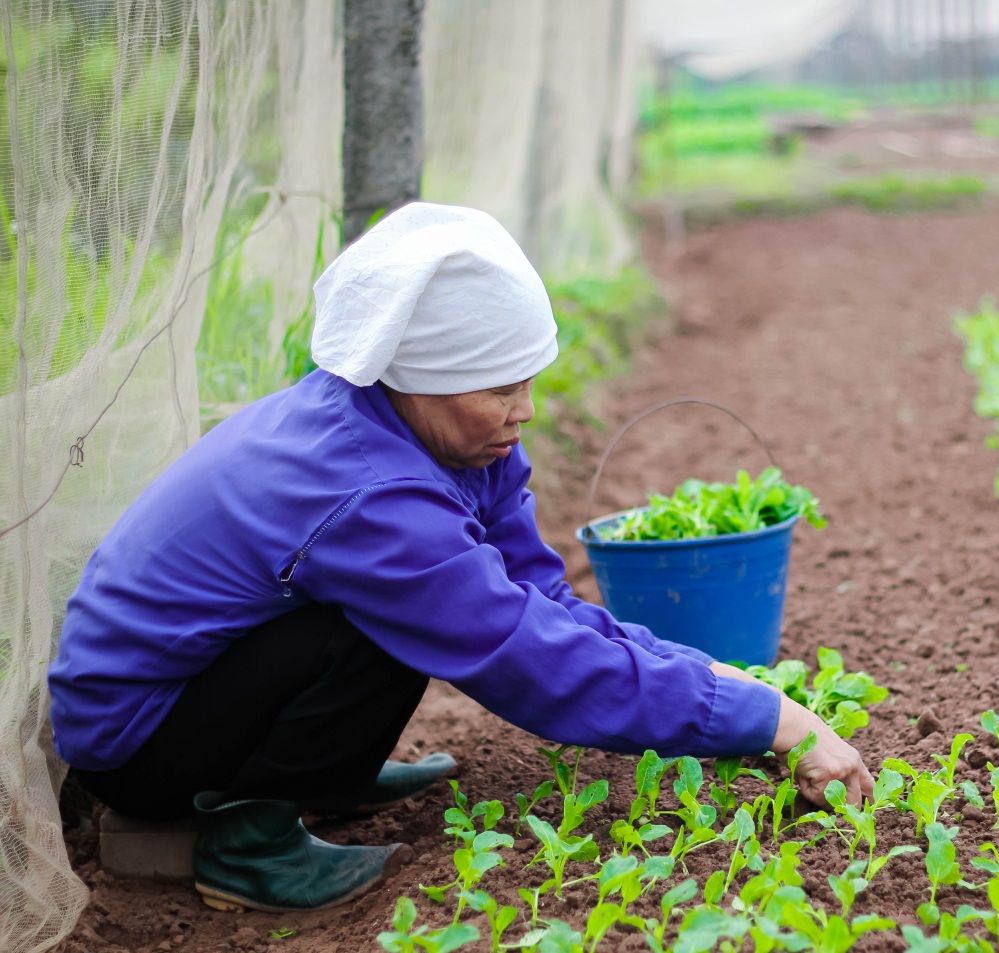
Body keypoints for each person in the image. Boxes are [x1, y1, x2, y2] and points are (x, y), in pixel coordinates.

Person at [48, 203, 874, 914]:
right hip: (136, 742)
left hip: (215, 681)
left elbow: (541, 601)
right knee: (382, 627)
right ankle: (251, 841)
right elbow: (529, 657)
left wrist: (731, 689)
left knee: (411, 611)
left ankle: (321, 775)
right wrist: (767, 720)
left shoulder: (452, 441)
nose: (526, 411)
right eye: (499, 390)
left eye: (528, 381)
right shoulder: (368, 493)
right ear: (421, 378)